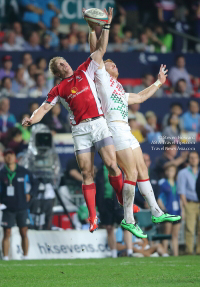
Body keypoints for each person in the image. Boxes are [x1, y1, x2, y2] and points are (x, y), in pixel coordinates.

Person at [22, 8, 124, 234]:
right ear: (56, 72)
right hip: (80, 130)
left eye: (64, 61)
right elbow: (44, 108)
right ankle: (92, 216)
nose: (64, 64)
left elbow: (101, 49)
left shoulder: (84, 70)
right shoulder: (58, 88)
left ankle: (123, 200)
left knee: (112, 166)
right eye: (59, 64)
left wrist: (103, 26)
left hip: (98, 123)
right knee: (88, 174)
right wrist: (32, 119)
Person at [88, 16, 181, 239]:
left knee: (142, 171)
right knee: (130, 173)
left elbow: (140, 96)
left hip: (126, 130)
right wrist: (98, 29)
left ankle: (157, 212)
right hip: (114, 129)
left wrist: (158, 82)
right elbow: (96, 52)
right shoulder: (100, 76)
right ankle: (128, 219)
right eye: (112, 64)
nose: (114, 65)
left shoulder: (119, 88)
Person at [0, 149, 38, 260]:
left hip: (22, 206)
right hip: (8, 207)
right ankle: (5, 257)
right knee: (6, 232)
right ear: (4, 157)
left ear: (14, 156)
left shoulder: (23, 171)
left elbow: (35, 183)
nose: (9, 157)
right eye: (6, 155)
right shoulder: (2, 173)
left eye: (11, 155)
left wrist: (31, 194)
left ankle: (25, 256)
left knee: (24, 232)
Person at [96, 164, 136, 258]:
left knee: (126, 226)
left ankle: (129, 251)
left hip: (119, 200)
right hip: (106, 202)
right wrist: (98, 205)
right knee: (109, 228)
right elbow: (98, 189)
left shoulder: (121, 168)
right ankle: (113, 253)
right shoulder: (100, 171)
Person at [177, 151, 200, 255]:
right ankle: (189, 251)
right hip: (190, 203)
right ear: (188, 159)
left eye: (195, 158)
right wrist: (185, 205)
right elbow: (181, 190)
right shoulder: (183, 173)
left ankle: (199, 250)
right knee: (190, 228)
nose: (193, 160)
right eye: (191, 158)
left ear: (198, 159)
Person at [158, 165, 181, 256]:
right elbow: (159, 198)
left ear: (175, 172)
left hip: (177, 212)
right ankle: (165, 253)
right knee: (166, 234)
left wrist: (182, 211)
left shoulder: (177, 183)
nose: (170, 172)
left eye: (172, 171)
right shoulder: (162, 183)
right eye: (169, 170)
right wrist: (163, 209)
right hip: (168, 212)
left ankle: (176, 254)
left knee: (175, 235)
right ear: (166, 172)